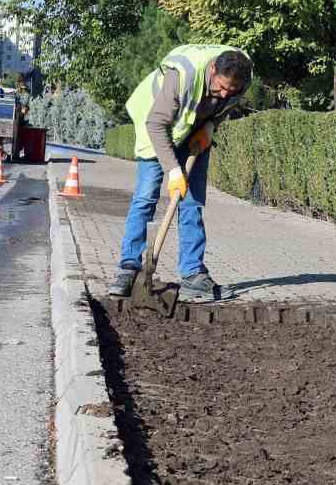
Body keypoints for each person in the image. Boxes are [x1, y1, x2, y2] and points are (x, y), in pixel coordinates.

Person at [108, 45, 252, 300]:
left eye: (231, 90)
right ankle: (128, 267)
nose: (223, 94)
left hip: (193, 131)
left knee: (192, 203)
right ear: (212, 69)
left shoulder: (242, 77)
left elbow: (224, 107)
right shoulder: (181, 76)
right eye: (220, 87)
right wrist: (173, 170)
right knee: (145, 197)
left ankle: (193, 274)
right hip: (155, 127)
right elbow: (156, 123)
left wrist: (210, 126)